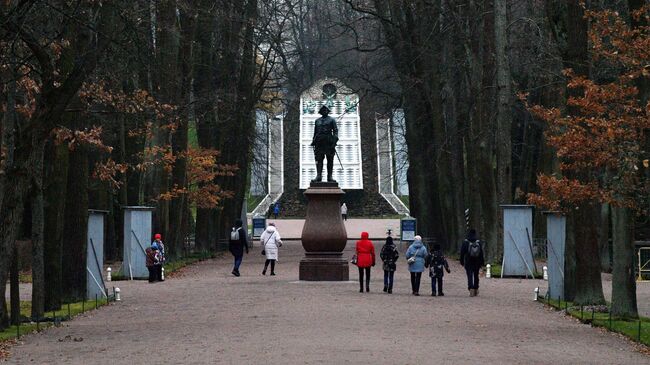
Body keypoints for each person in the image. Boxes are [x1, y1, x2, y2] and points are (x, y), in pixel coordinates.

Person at [310, 105, 338, 182]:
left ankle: (330, 177)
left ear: (328, 112)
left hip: (328, 141)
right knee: (319, 159)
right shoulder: (317, 121)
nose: (324, 111)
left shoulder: (332, 120)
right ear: (321, 112)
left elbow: (335, 131)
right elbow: (315, 132)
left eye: (326, 110)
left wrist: (335, 140)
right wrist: (313, 141)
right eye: (323, 110)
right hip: (319, 142)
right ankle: (319, 176)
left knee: (330, 159)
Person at [460, 229, 485, 297]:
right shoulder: (478, 241)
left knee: (469, 275)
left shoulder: (466, 242)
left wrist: (461, 261)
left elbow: (462, 252)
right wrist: (482, 262)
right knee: (476, 275)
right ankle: (476, 288)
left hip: (468, 261)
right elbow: (481, 253)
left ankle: (471, 288)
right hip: (477, 261)